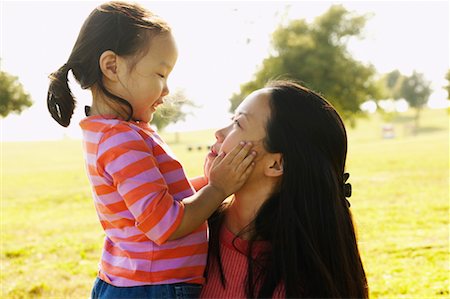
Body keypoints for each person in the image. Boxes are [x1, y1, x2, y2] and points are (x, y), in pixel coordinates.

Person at [46, 2, 255, 298]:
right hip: (153, 287)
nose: (167, 90)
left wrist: (212, 181)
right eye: (160, 75)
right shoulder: (121, 141)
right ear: (112, 67)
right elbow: (166, 224)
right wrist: (219, 189)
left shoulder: (118, 132)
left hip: (143, 282)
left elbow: (163, 199)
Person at [200, 80, 369, 298]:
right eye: (232, 119)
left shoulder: (297, 286)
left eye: (239, 124)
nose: (219, 132)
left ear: (276, 164)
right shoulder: (185, 222)